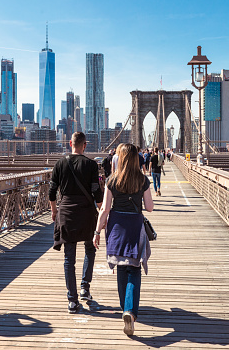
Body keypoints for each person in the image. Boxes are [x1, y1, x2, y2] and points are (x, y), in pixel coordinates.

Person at [93, 143, 154, 336]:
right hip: (135, 226)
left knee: (121, 267)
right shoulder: (142, 180)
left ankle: (125, 309)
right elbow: (150, 207)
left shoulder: (112, 180)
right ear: (136, 158)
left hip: (117, 227)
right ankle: (129, 311)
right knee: (134, 269)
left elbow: (104, 209)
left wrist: (96, 232)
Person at [49, 132, 103, 314]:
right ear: (85, 145)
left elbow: (51, 191)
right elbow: (96, 192)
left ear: (70, 143)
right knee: (90, 249)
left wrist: (54, 210)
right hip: (87, 213)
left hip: (66, 214)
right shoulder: (91, 165)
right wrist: (103, 212)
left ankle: (72, 300)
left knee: (68, 258)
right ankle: (84, 289)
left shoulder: (60, 163)